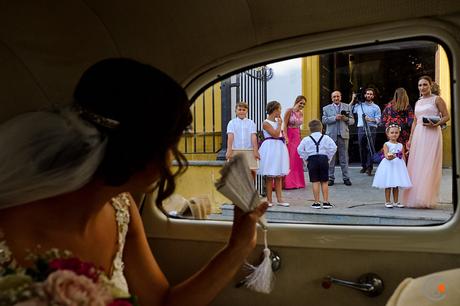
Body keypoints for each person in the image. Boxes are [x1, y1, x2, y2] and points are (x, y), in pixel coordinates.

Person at [0, 58, 268, 306]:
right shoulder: (8, 227)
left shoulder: (122, 209)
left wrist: (239, 247)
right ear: (139, 150)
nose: (173, 160)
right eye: (171, 146)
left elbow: (162, 302)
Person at [402, 75, 450, 208]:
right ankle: (415, 197)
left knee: (428, 164)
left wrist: (437, 124)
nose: (422, 87)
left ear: (430, 85)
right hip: (418, 134)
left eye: (425, 85)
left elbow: (446, 116)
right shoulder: (418, 102)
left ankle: (426, 198)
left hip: (432, 134)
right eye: (420, 85)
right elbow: (415, 121)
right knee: (417, 164)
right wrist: (410, 139)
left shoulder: (437, 99)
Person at [297, 119, 337, 209]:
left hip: (312, 159)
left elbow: (299, 149)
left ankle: (316, 202)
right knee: (324, 181)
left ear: (309, 129)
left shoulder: (306, 139)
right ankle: (326, 202)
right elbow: (334, 147)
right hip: (323, 159)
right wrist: (328, 157)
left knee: (315, 181)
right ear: (321, 128)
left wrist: (306, 158)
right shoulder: (326, 137)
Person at [258, 101, 290, 207]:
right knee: (269, 176)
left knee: (278, 176)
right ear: (275, 110)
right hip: (270, 149)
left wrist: (284, 136)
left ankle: (280, 199)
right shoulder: (266, 123)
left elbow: (280, 134)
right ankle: (269, 200)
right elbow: (275, 134)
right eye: (279, 109)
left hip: (279, 148)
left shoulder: (277, 121)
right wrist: (280, 125)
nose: (280, 111)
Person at [372, 124, 412, 208]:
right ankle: (387, 201)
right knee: (389, 184)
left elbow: (403, 157)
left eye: (396, 132)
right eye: (392, 132)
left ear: (399, 133)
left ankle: (396, 202)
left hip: (398, 166)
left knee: (396, 185)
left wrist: (404, 167)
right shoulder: (386, 144)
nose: (394, 134)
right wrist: (392, 156)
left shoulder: (401, 145)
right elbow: (386, 155)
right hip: (389, 166)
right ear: (388, 134)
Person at [322, 90, 355, 186]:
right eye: (334, 97)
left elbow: (352, 121)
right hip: (331, 136)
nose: (336, 98)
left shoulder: (347, 106)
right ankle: (330, 178)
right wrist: (334, 118)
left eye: (338, 96)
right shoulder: (326, 108)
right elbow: (324, 120)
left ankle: (346, 178)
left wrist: (346, 119)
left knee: (344, 157)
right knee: (331, 157)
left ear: (340, 97)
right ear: (331, 98)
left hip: (343, 135)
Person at [350, 88, 381, 176]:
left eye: (371, 94)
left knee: (370, 147)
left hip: (371, 128)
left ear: (373, 96)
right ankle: (363, 166)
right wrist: (353, 99)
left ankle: (369, 167)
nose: (369, 95)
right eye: (367, 94)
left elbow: (379, 119)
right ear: (365, 95)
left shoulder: (376, 107)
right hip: (361, 128)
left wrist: (370, 119)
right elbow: (349, 109)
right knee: (362, 147)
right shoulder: (359, 105)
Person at [226, 101, 260, 180]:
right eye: (239, 109)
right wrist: (229, 149)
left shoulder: (251, 123)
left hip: (249, 150)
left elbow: (253, 136)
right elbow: (230, 136)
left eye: (243, 110)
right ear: (236, 111)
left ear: (247, 111)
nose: (241, 111)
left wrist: (255, 150)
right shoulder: (232, 123)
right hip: (236, 150)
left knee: (251, 172)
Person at [283, 95, 306, 189]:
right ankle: (288, 182)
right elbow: (284, 124)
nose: (302, 105)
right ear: (297, 102)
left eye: (304, 104)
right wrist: (286, 137)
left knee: (297, 159)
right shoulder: (289, 111)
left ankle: (297, 182)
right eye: (301, 103)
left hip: (297, 136)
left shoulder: (301, 113)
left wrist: (300, 138)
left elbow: (299, 126)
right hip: (289, 134)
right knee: (290, 158)